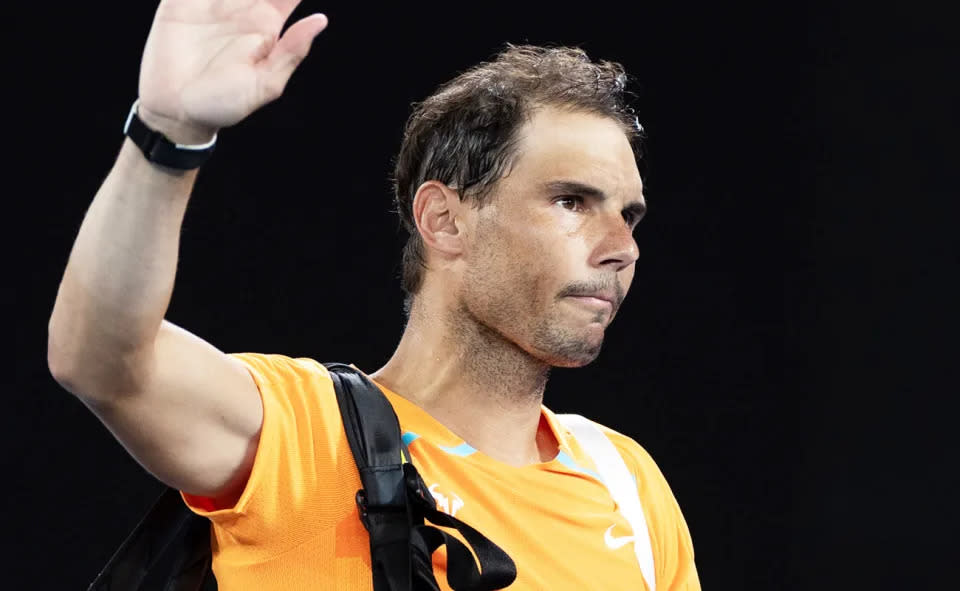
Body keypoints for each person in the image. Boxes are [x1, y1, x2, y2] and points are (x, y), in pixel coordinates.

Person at [46, 1, 700, 589]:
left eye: (630, 215)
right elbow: (101, 360)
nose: (622, 245)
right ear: (444, 221)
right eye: (572, 201)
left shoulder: (629, 485)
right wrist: (168, 130)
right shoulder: (305, 435)